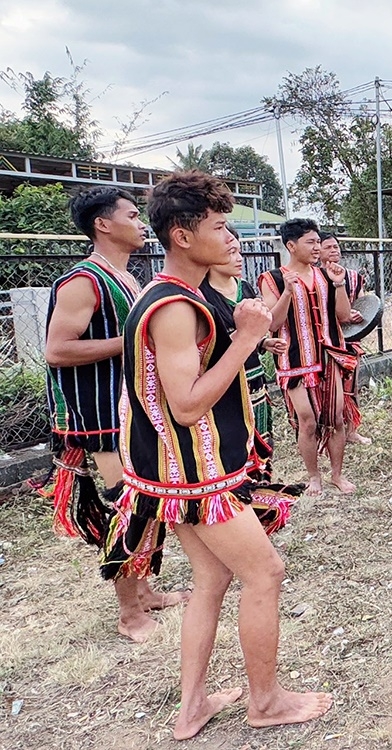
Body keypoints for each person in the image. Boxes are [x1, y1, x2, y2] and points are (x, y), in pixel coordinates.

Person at [98, 170, 328, 740]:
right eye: (220, 227)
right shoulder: (175, 305)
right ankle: (265, 702)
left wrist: (248, 338)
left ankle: (193, 706)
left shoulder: (175, 293)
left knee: (212, 579)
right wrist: (246, 340)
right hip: (197, 475)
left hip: (171, 473)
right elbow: (185, 405)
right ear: (182, 236)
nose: (231, 237)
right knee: (265, 572)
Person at [42, 185, 184, 641]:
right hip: (101, 416)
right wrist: (133, 342)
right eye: (131, 215)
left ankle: (145, 593)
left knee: (148, 502)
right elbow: (57, 350)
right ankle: (129, 614)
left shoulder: (126, 277)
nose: (141, 224)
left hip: (130, 411)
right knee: (128, 506)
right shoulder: (83, 281)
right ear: (103, 224)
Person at [258, 218, 356, 495]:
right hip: (294, 360)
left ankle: (337, 474)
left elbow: (344, 316)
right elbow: (273, 323)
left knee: (336, 418)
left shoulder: (326, 275)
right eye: (310, 242)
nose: (317, 247)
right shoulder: (273, 279)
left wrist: (339, 284)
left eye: (318, 242)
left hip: (329, 355)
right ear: (291, 246)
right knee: (308, 420)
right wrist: (288, 292)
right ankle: (314, 476)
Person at [200, 228, 286, 480]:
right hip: (225, 383)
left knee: (261, 440)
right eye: (231, 253)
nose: (239, 259)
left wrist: (263, 343)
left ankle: (261, 485)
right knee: (232, 446)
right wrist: (246, 334)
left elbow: (252, 334)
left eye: (239, 252)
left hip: (254, 380)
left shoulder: (244, 288)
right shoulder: (201, 295)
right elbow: (210, 346)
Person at [317, 232, 371, 445]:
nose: (334, 250)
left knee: (351, 386)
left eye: (336, 246)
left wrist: (357, 314)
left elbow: (362, 305)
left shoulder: (353, 277)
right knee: (324, 387)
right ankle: (326, 429)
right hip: (322, 341)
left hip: (348, 339)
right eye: (328, 247)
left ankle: (351, 430)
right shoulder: (313, 276)